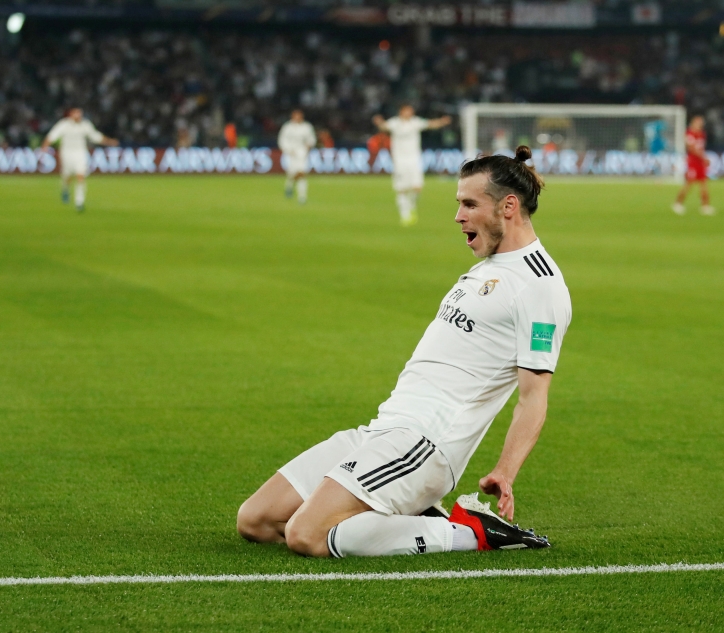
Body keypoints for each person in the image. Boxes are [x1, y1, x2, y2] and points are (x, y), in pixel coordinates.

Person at [237, 146, 571, 558]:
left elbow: (533, 396)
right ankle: (415, 517)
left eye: (469, 204)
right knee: (256, 520)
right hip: (383, 430)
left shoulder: (540, 286)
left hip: (425, 443)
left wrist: (505, 470)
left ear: (508, 206)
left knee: (306, 534)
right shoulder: (488, 267)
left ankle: (474, 533)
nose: (458, 216)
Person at [373, 105, 451, 227]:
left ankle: (412, 206)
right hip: (399, 160)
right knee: (402, 189)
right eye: (407, 110)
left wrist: (442, 121)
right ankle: (405, 216)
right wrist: (379, 122)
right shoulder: (395, 123)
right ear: (401, 111)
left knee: (417, 187)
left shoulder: (415, 122)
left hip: (414, 159)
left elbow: (430, 124)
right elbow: (383, 127)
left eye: (411, 110)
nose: (409, 112)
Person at [40, 108, 117, 212]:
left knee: (80, 176)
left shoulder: (85, 124)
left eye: (79, 114)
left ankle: (79, 202)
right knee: (67, 176)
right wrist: (45, 146)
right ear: (71, 115)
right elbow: (52, 135)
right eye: (76, 114)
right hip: (66, 153)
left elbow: (95, 136)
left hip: (80, 153)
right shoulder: (64, 124)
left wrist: (109, 141)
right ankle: (65, 190)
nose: (78, 116)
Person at [672, 115, 714, 216]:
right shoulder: (689, 133)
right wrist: (703, 158)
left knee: (703, 183)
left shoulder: (702, 134)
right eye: (698, 122)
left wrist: (703, 158)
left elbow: (701, 148)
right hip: (693, 162)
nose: (700, 124)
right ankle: (678, 203)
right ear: (693, 123)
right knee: (688, 184)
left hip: (700, 163)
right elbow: (691, 148)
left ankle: (705, 206)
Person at [278, 110, 317, 204]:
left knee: (302, 174)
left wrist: (309, 145)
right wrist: (287, 149)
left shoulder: (307, 127)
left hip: (302, 154)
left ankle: (302, 197)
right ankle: (289, 186)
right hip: (290, 153)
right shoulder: (287, 127)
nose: (297, 118)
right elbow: (282, 140)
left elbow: (312, 139)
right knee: (292, 173)